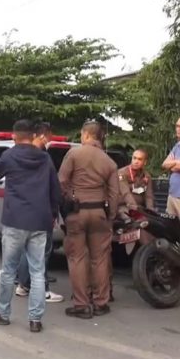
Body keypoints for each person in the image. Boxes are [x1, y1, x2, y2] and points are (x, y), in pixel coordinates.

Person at [0, 120, 62, 333]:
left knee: (8, 270)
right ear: (33, 135)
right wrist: (53, 215)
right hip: (40, 221)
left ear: (14, 136)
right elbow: (55, 190)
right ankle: (35, 320)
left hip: (15, 221)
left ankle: (2, 313)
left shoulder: (10, 155)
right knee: (38, 271)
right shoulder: (45, 158)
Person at [58, 120, 120, 319]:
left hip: (77, 212)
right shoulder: (109, 162)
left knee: (77, 258)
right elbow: (114, 194)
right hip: (100, 213)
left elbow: (62, 182)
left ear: (85, 135)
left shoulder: (74, 154)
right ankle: (101, 302)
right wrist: (110, 217)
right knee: (100, 258)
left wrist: (69, 202)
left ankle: (81, 304)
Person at [15, 121, 64, 303]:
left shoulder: (19, 155)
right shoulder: (43, 157)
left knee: (27, 250)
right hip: (41, 211)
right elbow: (53, 186)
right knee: (41, 252)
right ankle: (42, 290)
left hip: (23, 211)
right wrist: (54, 211)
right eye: (49, 136)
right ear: (43, 135)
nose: (49, 140)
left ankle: (23, 285)